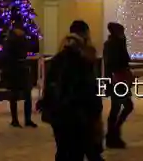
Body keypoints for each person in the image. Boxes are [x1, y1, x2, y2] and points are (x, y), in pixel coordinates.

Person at [39, 24, 103, 161]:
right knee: (77, 153)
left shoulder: (57, 58)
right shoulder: (83, 60)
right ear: (85, 34)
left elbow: (49, 87)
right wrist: (96, 112)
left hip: (59, 115)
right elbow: (89, 89)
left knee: (63, 151)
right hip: (78, 115)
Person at [103, 22, 133, 149]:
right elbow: (121, 60)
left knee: (118, 108)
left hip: (116, 79)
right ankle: (113, 135)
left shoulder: (112, 43)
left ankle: (113, 135)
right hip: (117, 79)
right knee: (124, 107)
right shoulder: (115, 44)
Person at [0, 25, 37, 128]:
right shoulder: (12, 40)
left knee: (22, 95)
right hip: (16, 69)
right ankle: (18, 120)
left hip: (19, 69)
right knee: (16, 95)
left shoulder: (15, 39)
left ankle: (22, 120)